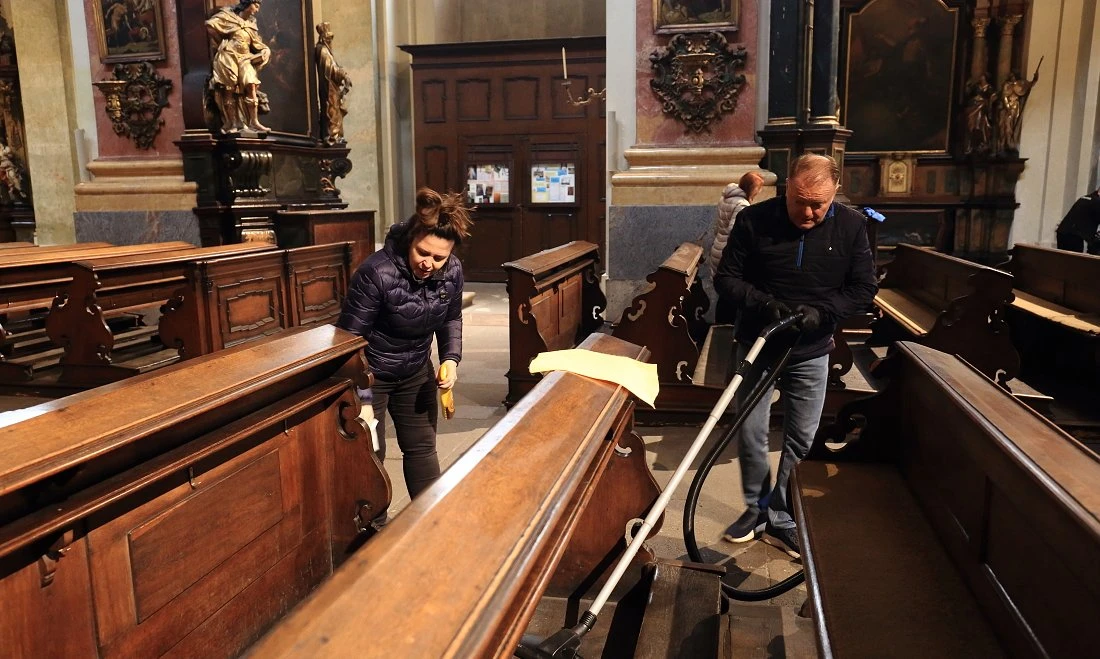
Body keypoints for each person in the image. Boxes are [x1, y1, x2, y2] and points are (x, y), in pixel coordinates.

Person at [713, 154, 877, 557]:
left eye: (818, 204)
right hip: (759, 342)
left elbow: (863, 288)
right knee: (750, 433)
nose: (807, 212)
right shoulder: (754, 220)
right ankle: (756, 508)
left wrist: (824, 312)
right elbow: (726, 278)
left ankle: (781, 516)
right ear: (786, 188)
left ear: (835, 192)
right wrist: (764, 303)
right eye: (799, 201)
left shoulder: (852, 226)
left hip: (811, 349)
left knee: (801, 439)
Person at [337, 187, 472, 502]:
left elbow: (451, 318)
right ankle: (373, 524)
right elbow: (349, 339)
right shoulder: (376, 272)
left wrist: (450, 359)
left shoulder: (452, 270)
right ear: (411, 240)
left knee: (422, 447)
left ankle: (429, 518)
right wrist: (363, 396)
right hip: (371, 375)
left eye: (439, 257)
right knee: (371, 453)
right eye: (422, 253)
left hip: (415, 371)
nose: (429, 263)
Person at [205, 0, 270, 134]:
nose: (257, 9)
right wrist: (221, 42)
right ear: (247, 4)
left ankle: (254, 122)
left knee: (251, 85)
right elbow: (210, 25)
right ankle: (231, 122)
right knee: (229, 88)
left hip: (245, 58)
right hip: (229, 56)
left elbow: (257, 43)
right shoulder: (228, 16)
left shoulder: (251, 24)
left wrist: (265, 51)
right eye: (256, 5)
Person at [709, 171, 764, 324]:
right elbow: (735, 233)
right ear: (752, 189)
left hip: (717, 247)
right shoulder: (742, 205)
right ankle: (725, 327)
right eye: (759, 189)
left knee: (724, 291)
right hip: (728, 252)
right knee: (730, 293)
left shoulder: (726, 198)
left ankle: (721, 325)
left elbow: (717, 227)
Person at [315, 22, 352, 146]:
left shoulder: (326, 50)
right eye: (328, 38)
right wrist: (344, 75)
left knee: (335, 111)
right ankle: (333, 135)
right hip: (329, 88)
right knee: (332, 111)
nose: (330, 40)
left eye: (331, 38)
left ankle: (336, 135)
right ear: (323, 38)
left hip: (332, 88)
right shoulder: (323, 51)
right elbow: (331, 70)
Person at [1055, 187, 1100, 255]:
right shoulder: (1097, 201)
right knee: (1074, 260)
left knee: (1063, 259)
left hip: (1062, 232)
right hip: (1074, 236)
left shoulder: (1084, 198)